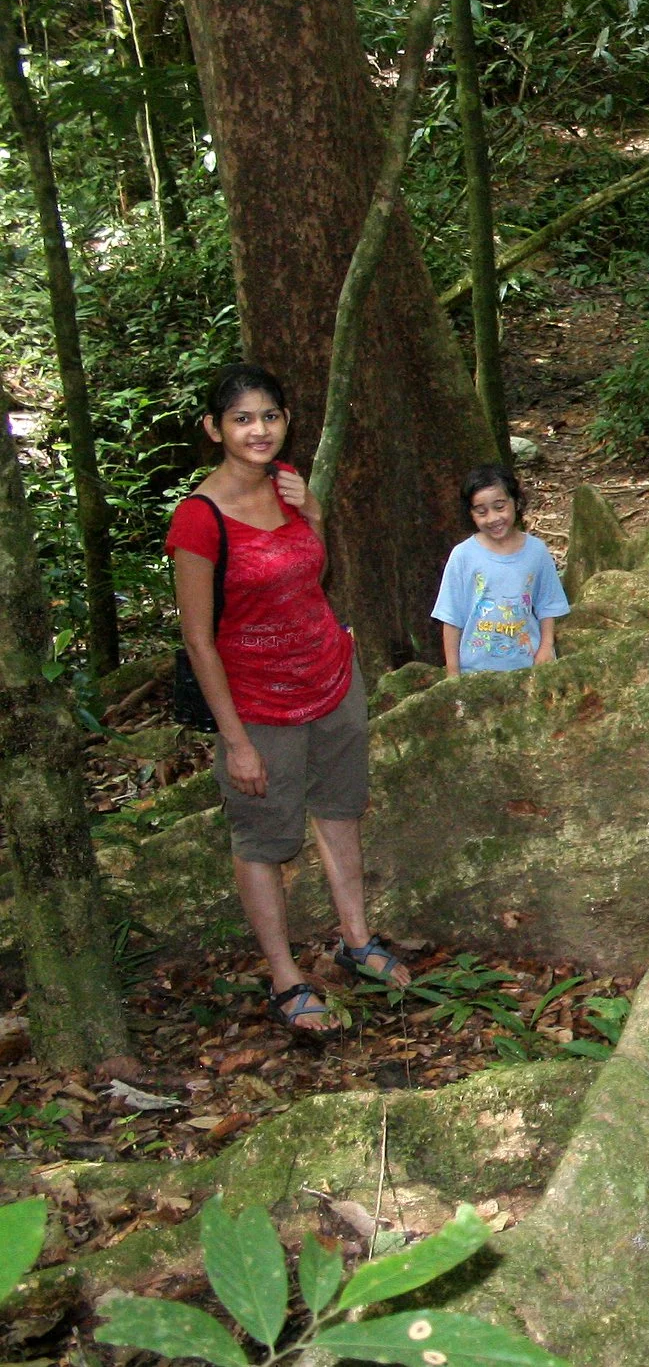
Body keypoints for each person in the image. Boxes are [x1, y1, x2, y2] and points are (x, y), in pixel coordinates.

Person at [168, 364, 408, 1036]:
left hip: (331, 680)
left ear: (286, 421)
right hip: (257, 707)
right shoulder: (198, 520)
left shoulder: (288, 485)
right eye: (242, 419)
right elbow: (198, 640)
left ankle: (356, 939)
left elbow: (312, 574)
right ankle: (284, 977)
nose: (259, 430)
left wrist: (316, 513)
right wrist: (236, 740)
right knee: (263, 839)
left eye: (269, 416)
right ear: (214, 429)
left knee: (339, 809)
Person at [433, 463, 568, 677]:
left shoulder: (536, 552)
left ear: (516, 502)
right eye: (482, 512)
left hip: (528, 666)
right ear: (471, 514)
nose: (493, 518)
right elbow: (451, 617)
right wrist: (453, 672)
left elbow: (548, 605)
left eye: (499, 507)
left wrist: (546, 647)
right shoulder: (463, 556)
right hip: (474, 671)